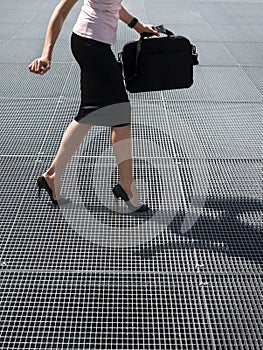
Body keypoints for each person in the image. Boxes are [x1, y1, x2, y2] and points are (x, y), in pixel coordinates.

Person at [29, 0, 158, 212]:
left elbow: (112, 4)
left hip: (94, 45)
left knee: (94, 113)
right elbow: (61, 12)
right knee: (120, 114)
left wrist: (137, 25)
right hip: (90, 46)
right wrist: (47, 54)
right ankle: (127, 187)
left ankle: (52, 176)